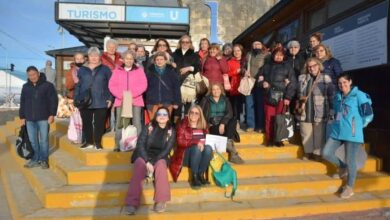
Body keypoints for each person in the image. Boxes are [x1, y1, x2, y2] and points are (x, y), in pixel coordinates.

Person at [322, 73, 373, 199]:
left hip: (352, 133)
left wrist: (358, 126)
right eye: (340, 83)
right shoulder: (338, 97)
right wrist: (334, 122)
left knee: (351, 160)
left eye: (345, 82)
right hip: (338, 131)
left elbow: (369, 114)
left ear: (350, 82)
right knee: (326, 153)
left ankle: (349, 187)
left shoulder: (359, 95)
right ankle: (342, 167)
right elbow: (338, 113)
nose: (342, 85)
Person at [125, 107, 176, 215]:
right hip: (144, 155)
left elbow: (167, 150)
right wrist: (147, 161)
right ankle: (132, 202)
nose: (162, 116)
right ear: (156, 116)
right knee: (139, 165)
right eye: (159, 114)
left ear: (168, 117)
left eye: (165, 114)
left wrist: (153, 162)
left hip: (160, 156)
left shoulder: (171, 131)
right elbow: (140, 144)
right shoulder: (149, 127)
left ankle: (161, 200)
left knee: (161, 166)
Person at [257, 47, 297, 146]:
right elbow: (258, 80)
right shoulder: (266, 66)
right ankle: (270, 139)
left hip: (282, 97)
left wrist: (288, 97)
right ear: (273, 55)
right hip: (269, 96)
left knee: (280, 119)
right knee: (269, 118)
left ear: (283, 56)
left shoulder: (288, 67)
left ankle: (279, 139)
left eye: (281, 55)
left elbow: (293, 83)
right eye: (277, 54)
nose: (278, 57)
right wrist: (262, 83)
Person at [75, 47, 113, 150]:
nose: (94, 58)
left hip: (101, 100)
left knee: (99, 123)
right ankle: (89, 142)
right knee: (86, 122)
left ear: (99, 57)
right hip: (85, 100)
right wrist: (76, 98)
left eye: (96, 56)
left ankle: (97, 142)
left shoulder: (105, 69)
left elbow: (111, 85)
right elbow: (78, 84)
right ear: (88, 57)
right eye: (92, 56)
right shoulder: (82, 69)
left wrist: (110, 98)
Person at [20, 66, 58, 169]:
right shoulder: (25, 86)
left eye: (34, 74)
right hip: (29, 119)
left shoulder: (48, 85)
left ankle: (44, 160)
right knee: (32, 140)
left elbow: (53, 100)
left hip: (44, 118)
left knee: (44, 140)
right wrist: (22, 116)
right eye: (30, 75)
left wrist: (52, 114)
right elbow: (22, 102)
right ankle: (35, 159)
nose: (32, 77)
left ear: (38, 73)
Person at [297, 58, 335, 161]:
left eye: (314, 66)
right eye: (309, 66)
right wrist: (300, 99)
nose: (312, 68)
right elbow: (299, 93)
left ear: (319, 66)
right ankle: (308, 152)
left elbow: (331, 95)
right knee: (306, 132)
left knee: (319, 133)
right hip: (305, 109)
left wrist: (332, 109)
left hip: (320, 110)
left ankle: (317, 153)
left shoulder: (325, 78)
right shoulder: (302, 78)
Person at [109, 50, 147, 151]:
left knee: (137, 123)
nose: (129, 60)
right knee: (120, 123)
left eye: (131, 58)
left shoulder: (139, 70)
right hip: (120, 100)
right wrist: (122, 96)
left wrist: (131, 95)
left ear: (133, 59)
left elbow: (143, 85)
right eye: (127, 58)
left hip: (136, 100)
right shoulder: (117, 71)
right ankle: (118, 145)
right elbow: (111, 85)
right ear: (123, 59)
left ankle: (139, 145)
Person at [200, 83, 244, 164]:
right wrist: (206, 124)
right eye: (214, 89)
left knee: (233, 120)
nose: (216, 91)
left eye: (218, 89)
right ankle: (233, 153)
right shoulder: (206, 100)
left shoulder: (225, 100)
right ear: (211, 91)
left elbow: (229, 113)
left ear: (221, 90)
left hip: (224, 124)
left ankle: (228, 142)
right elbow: (200, 113)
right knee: (227, 131)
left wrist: (223, 123)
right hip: (212, 125)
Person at [170, 105, 212, 188]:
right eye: (192, 112)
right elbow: (180, 141)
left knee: (208, 148)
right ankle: (194, 177)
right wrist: (196, 142)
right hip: (186, 156)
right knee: (196, 148)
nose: (194, 115)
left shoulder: (204, 126)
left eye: (196, 113)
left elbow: (208, 140)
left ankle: (200, 174)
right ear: (188, 114)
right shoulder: (183, 124)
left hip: (200, 156)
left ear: (200, 115)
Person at [172, 35, 201, 120]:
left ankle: (186, 127)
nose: (185, 43)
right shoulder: (174, 54)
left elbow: (198, 67)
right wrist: (172, 65)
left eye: (187, 42)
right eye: (183, 42)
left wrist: (189, 68)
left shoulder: (195, 55)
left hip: (188, 84)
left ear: (190, 43)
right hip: (176, 82)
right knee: (176, 108)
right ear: (180, 43)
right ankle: (176, 128)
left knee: (188, 108)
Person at [145, 51, 181, 119]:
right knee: (153, 123)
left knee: (166, 123)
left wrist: (176, 102)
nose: (159, 61)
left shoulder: (171, 71)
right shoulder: (149, 72)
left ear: (165, 60)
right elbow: (145, 87)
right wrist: (147, 100)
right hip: (152, 102)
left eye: (161, 59)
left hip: (167, 101)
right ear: (154, 61)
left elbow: (176, 87)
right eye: (157, 60)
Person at [247, 41, 270, 132]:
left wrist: (263, 75)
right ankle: (250, 125)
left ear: (262, 45)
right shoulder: (249, 55)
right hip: (249, 82)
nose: (256, 46)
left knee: (260, 104)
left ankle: (260, 126)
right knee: (249, 104)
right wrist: (244, 70)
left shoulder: (266, 55)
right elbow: (244, 66)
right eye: (254, 44)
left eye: (258, 44)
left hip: (260, 83)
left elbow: (268, 67)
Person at [227, 44, 245, 129]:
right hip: (235, 86)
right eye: (235, 51)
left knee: (245, 105)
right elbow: (227, 74)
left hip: (246, 86)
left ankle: (246, 122)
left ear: (241, 51)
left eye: (238, 50)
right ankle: (236, 121)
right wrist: (236, 71)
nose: (236, 52)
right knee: (235, 105)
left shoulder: (246, 60)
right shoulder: (230, 62)